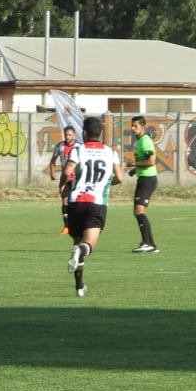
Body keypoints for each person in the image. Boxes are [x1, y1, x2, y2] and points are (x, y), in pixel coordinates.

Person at [63, 116, 123, 297]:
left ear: (84, 133)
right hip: (96, 203)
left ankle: (80, 286)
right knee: (87, 246)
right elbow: (120, 178)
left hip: (75, 202)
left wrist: (63, 187)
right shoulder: (110, 152)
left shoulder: (78, 150)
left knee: (77, 241)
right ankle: (80, 251)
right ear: (101, 133)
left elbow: (67, 172)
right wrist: (105, 184)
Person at [127, 115, 160, 252]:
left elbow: (151, 161)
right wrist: (135, 169)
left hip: (148, 179)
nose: (133, 128)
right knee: (139, 211)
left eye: (136, 126)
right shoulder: (140, 141)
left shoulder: (145, 141)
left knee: (139, 211)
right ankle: (150, 244)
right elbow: (145, 162)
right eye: (132, 126)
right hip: (144, 178)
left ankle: (147, 243)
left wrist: (133, 164)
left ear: (143, 126)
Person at [46, 123, 79, 235]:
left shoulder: (79, 147)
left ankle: (78, 224)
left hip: (78, 178)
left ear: (74, 135)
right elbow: (53, 160)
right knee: (65, 201)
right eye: (66, 135)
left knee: (76, 202)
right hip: (66, 178)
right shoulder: (60, 146)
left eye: (70, 135)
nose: (68, 137)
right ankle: (66, 227)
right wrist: (52, 172)